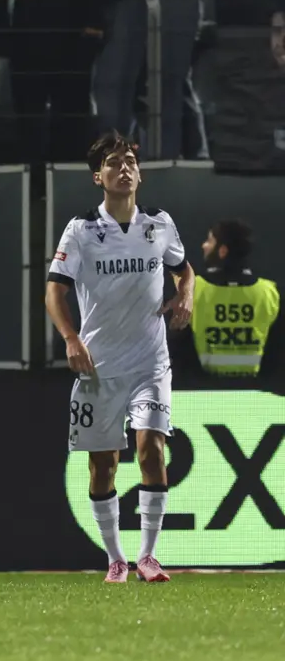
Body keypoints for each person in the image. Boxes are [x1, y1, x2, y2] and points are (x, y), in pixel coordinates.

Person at [46, 131, 194, 584]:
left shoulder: (160, 224)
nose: (124, 167)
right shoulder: (82, 230)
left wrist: (185, 293)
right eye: (114, 162)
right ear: (99, 176)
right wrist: (71, 337)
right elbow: (54, 291)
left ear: (139, 173)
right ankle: (115, 557)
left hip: (151, 362)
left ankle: (148, 555)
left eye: (130, 160)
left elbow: (183, 268)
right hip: (99, 366)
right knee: (104, 464)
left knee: (152, 450)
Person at [185, 220, 281, 378]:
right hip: (259, 390)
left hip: (203, 391)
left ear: (222, 251)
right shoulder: (269, 291)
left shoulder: (194, 289)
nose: (204, 245)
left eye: (209, 241)